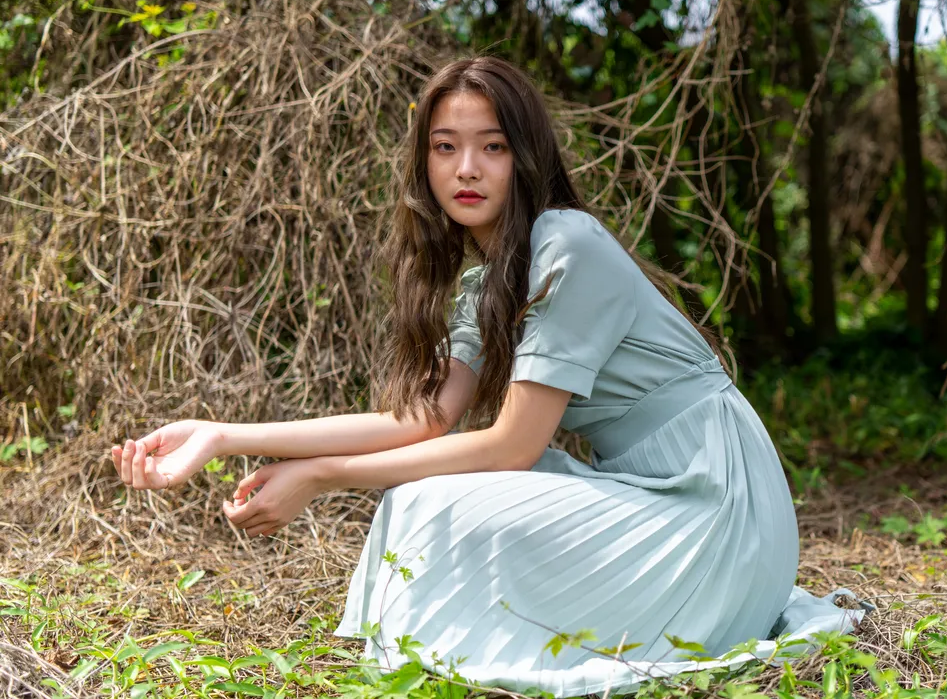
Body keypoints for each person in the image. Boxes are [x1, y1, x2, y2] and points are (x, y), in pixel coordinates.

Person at [109, 56, 863, 697]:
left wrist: (320, 474)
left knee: (433, 505)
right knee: (417, 503)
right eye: (445, 147)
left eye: (492, 146)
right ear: (424, 161)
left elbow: (511, 446)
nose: (465, 169)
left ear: (524, 157)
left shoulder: (568, 245)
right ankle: (429, 664)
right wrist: (221, 435)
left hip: (718, 505)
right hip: (652, 488)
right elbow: (424, 419)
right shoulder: (492, 277)